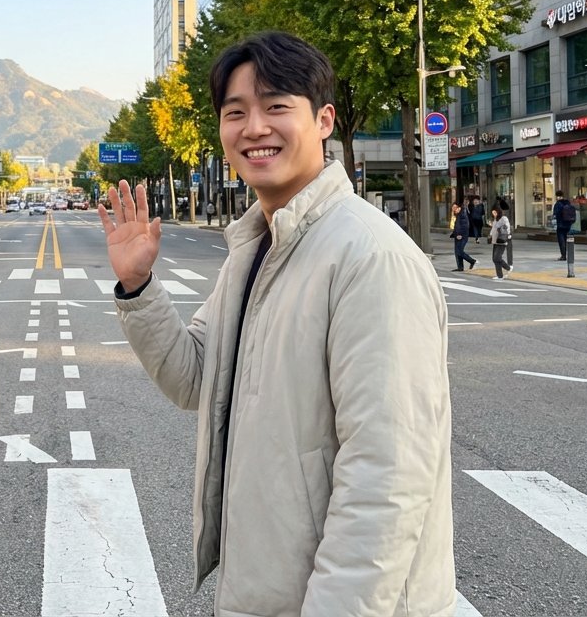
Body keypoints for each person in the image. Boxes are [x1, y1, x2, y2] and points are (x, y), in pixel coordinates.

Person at [99, 32, 453, 616]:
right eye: (235, 112)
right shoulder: (257, 246)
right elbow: (194, 379)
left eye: (276, 107)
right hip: (266, 588)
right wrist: (139, 286)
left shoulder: (370, 257)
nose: (254, 128)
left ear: (324, 121)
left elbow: (388, 477)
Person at [450, 202, 476, 272]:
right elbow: (454, 225)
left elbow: (465, 226)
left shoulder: (462, 214)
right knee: (457, 252)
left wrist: (460, 234)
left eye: (455, 208)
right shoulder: (457, 215)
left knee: (460, 251)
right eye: (453, 208)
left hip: (462, 236)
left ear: (459, 207)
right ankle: (460, 267)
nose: (454, 210)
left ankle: (472, 261)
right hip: (457, 235)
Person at [489, 204, 512, 280]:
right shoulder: (495, 219)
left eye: (495, 212)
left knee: (497, 258)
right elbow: (493, 229)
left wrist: (508, 235)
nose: (494, 214)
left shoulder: (503, 218)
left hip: (502, 240)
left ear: (498, 211)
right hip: (495, 241)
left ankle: (508, 268)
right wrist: (490, 235)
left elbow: (507, 228)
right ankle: (500, 275)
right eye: (493, 213)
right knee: (494, 259)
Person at [551, 190, 576, 260]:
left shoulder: (557, 204)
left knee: (561, 240)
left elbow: (555, 215)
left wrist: (553, 225)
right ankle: (567, 254)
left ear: (556, 196)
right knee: (566, 240)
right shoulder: (567, 203)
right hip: (568, 224)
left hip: (560, 225)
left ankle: (563, 255)